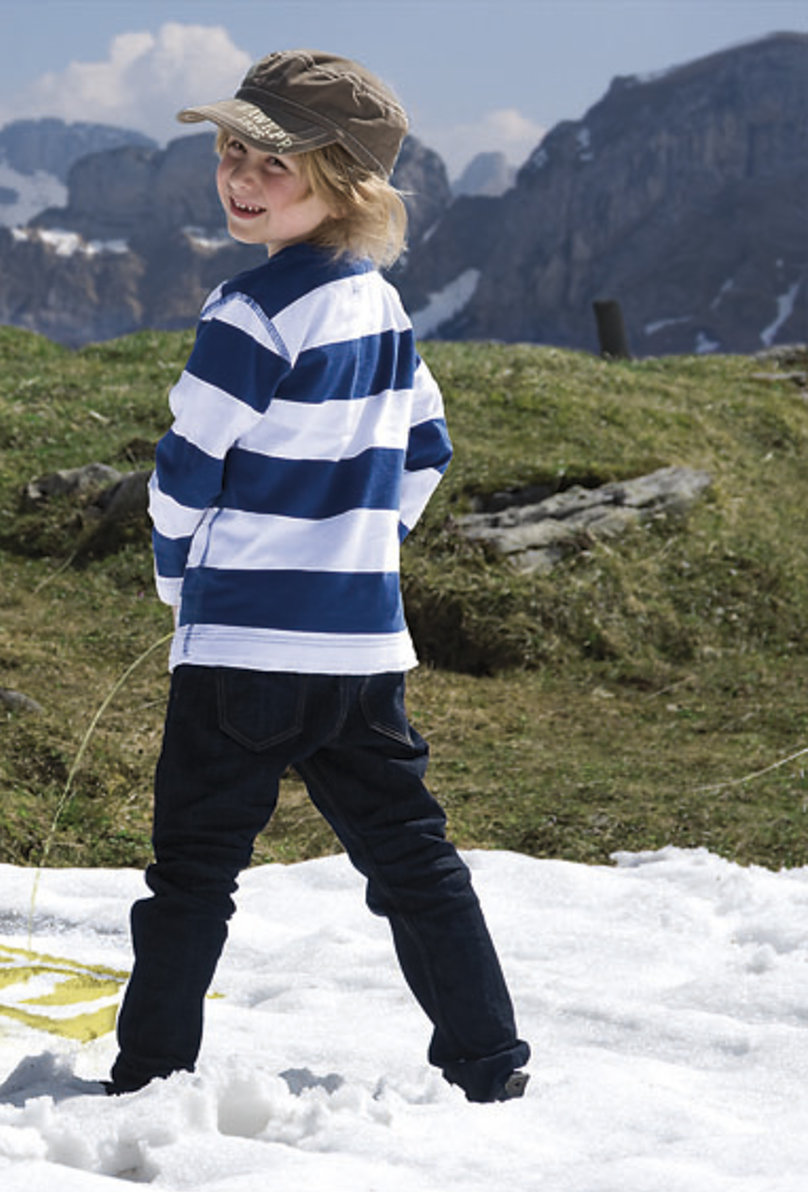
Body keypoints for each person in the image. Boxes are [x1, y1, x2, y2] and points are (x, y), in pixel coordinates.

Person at [107, 50, 531, 1103]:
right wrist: (357, 544)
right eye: (230, 152)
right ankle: (488, 1067)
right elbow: (427, 449)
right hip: (358, 648)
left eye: (273, 163)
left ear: (342, 179)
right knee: (412, 863)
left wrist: (176, 574)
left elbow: (185, 468)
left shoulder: (245, 310)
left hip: (241, 648)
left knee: (193, 878)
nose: (240, 178)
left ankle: (148, 1083)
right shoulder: (381, 309)